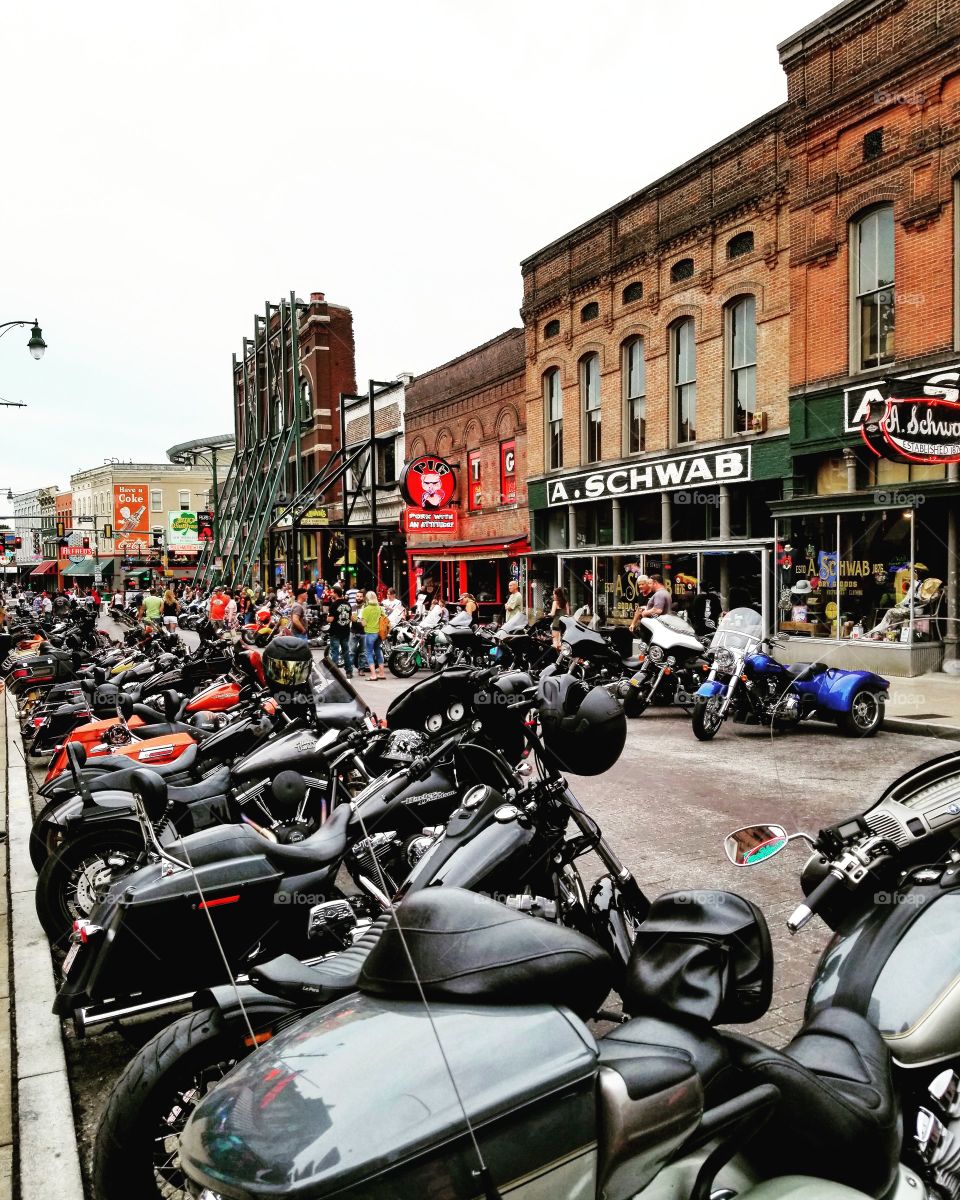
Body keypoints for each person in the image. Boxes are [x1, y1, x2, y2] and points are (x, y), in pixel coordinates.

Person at [326, 585, 355, 676]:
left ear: (335, 593)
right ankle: (349, 671)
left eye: (332, 592)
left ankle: (335, 673)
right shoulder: (348, 604)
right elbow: (351, 618)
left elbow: (330, 619)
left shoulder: (334, 605)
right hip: (345, 631)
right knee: (346, 652)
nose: (330, 594)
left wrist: (327, 617)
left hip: (335, 631)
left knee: (335, 652)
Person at [360, 590, 387, 681]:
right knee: (378, 652)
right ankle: (382, 673)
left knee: (369, 653)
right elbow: (384, 619)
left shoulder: (365, 609)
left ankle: (373, 675)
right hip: (379, 633)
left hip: (370, 633)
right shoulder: (380, 608)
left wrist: (360, 620)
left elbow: (363, 623)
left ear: (367, 598)